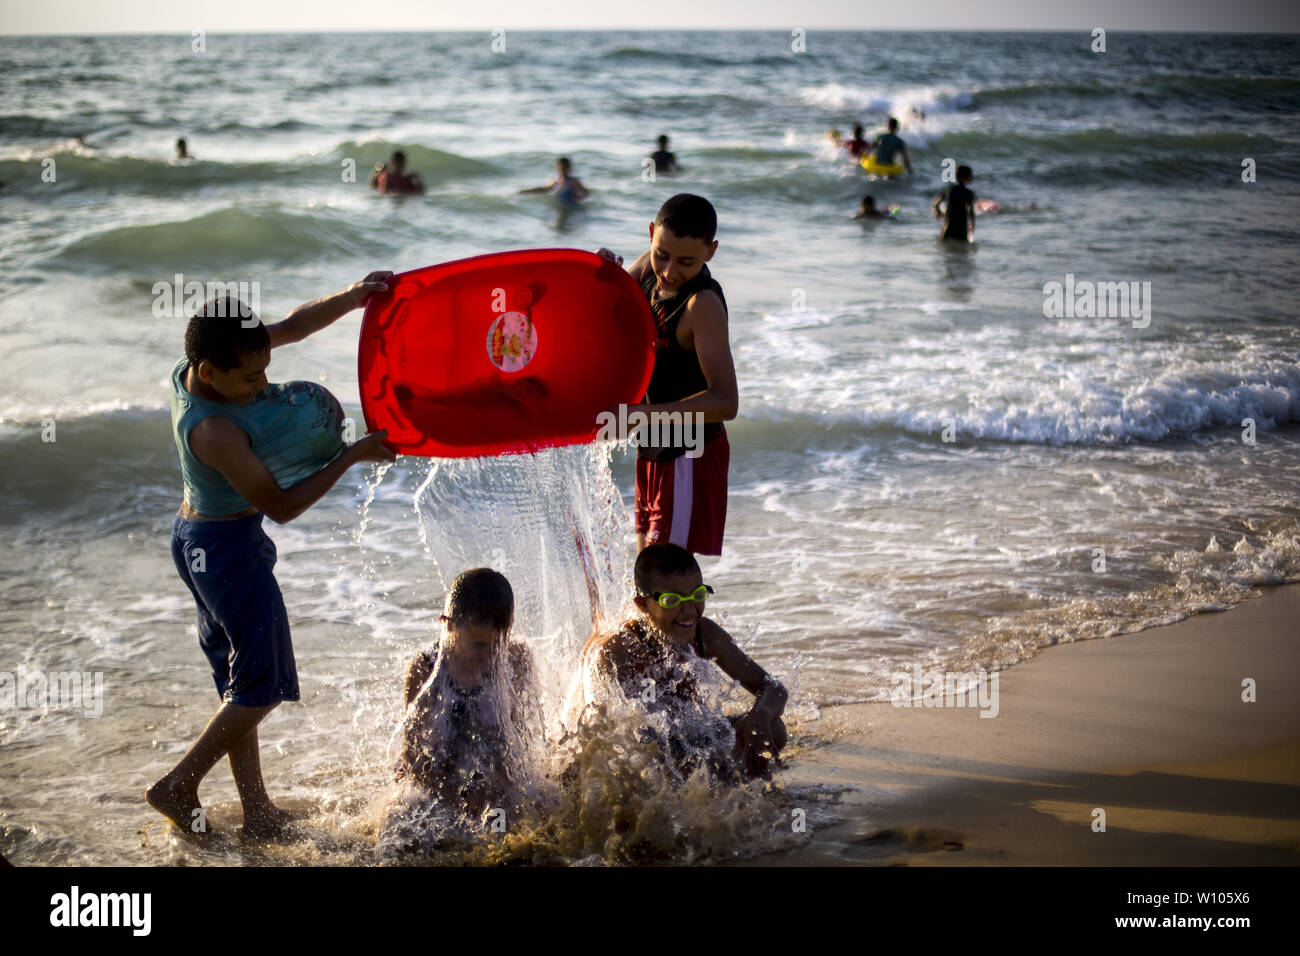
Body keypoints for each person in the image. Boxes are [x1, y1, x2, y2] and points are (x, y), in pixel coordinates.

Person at [146, 275, 397, 838]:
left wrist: (353, 297)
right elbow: (282, 506)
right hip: (224, 551)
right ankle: (178, 784)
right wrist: (355, 454)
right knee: (261, 683)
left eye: (264, 370)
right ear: (209, 374)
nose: (263, 385)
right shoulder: (212, 431)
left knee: (240, 685)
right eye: (251, 378)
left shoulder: (211, 356)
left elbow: (294, 325)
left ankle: (257, 811)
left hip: (200, 538)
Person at [570, 543, 787, 782]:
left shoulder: (704, 635)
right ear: (642, 605)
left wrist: (761, 715)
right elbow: (603, 739)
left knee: (774, 730)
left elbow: (773, 687)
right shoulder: (619, 654)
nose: (689, 611)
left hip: (692, 738)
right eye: (672, 601)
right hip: (647, 753)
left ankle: (732, 782)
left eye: (697, 596)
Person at [596, 193, 738, 556]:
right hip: (653, 448)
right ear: (650, 236)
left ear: (711, 251)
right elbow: (606, 310)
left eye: (687, 262)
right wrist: (601, 273)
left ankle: (694, 614)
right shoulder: (647, 270)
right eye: (662, 254)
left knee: (666, 573)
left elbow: (725, 401)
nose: (670, 271)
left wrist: (641, 415)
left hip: (690, 452)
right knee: (648, 571)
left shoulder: (700, 305)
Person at [388, 568, 542, 823]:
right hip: (438, 788)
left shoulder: (517, 660)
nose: (489, 654)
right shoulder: (424, 669)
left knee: (515, 823)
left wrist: (496, 789)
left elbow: (523, 749)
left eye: (498, 643)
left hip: (495, 790)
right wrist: (451, 796)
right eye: (479, 645)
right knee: (397, 822)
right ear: (448, 625)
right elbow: (413, 758)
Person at [520, 156, 589, 205]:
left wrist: (579, 197)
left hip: (572, 208)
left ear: (569, 168)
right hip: (561, 208)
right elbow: (544, 190)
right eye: (560, 167)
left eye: (564, 167)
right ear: (556, 168)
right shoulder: (555, 182)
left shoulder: (573, 182)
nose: (562, 170)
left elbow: (586, 193)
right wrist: (527, 191)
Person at [934, 164, 976, 241]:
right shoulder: (968, 193)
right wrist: (972, 225)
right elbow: (971, 212)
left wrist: (938, 212)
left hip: (948, 224)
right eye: (970, 175)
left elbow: (936, 203)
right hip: (962, 226)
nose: (972, 177)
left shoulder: (948, 189)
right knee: (962, 248)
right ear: (964, 177)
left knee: (943, 244)